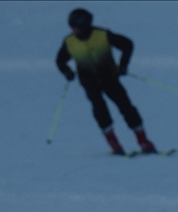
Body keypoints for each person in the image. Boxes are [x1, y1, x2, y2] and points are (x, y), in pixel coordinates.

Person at [55, 8, 157, 155]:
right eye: (72, 27)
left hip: (110, 79)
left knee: (126, 107)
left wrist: (123, 65)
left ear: (85, 25)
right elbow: (60, 60)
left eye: (76, 27)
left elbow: (127, 44)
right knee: (100, 109)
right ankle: (114, 143)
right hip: (89, 82)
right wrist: (67, 72)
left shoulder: (102, 35)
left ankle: (143, 141)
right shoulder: (69, 42)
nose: (74, 31)